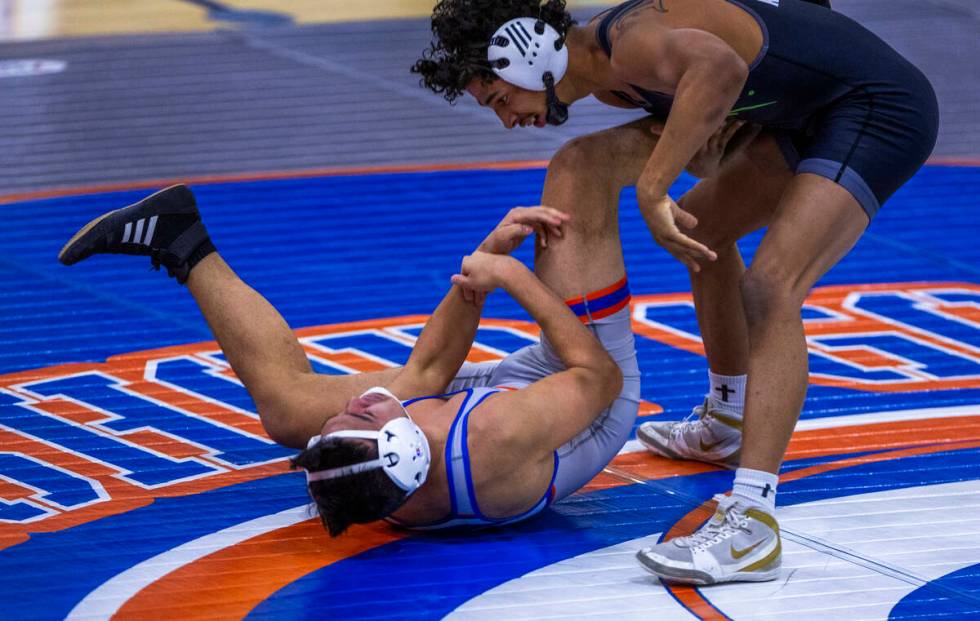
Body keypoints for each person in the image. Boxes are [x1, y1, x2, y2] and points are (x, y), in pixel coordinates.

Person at [412, 0, 938, 584]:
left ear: (529, 52)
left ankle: (754, 521)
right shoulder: (614, 89)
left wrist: (653, 184)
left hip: (878, 108)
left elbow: (719, 67)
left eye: (501, 100)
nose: (508, 120)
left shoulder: (630, 45)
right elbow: (725, 79)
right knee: (700, 230)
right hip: (807, 114)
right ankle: (730, 417)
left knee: (770, 287)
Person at [57, 180, 641, 534]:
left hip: (488, 416)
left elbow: (427, 371)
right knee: (577, 168)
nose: (353, 403)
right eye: (363, 415)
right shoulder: (496, 434)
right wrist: (509, 274)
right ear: (408, 444)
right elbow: (600, 376)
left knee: (286, 415)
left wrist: (481, 262)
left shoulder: (375, 487)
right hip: (589, 398)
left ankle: (179, 239)